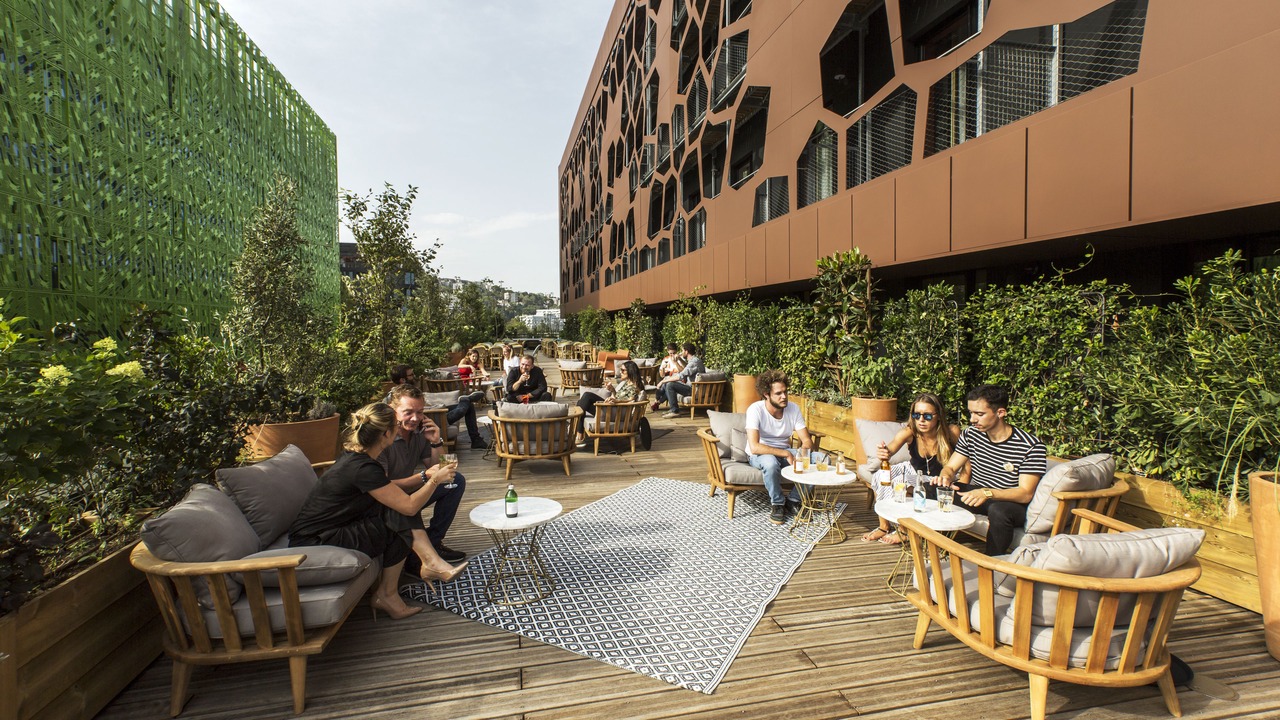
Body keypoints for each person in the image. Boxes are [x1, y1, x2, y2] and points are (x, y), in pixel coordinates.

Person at [289, 403, 468, 620]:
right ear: (386, 433)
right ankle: (404, 581)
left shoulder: (358, 458)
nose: (401, 426)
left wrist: (431, 470)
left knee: (397, 512)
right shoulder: (363, 468)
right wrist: (433, 481)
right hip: (317, 538)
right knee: (401, 516)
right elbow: (410, 505)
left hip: (341, 523)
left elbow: (402, 501)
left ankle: (417, 571)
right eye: (396, 425)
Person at [936, 384, 1048, 555]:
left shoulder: (1030, 446)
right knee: (933, 488)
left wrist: (987, 493)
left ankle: (992, 565)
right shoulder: (971, 434)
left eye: (979, 414)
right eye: (971, 413)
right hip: (979, 495)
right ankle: (932, 548)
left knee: (999, 511)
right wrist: (945, 476)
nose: (973, 419)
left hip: (1010, 503)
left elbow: (1025, 493)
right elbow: (951, 467)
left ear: (1000, 413)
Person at [862, 392, 970, 545]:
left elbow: (967, 463)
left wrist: (962, 487)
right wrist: (884, 452)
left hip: (938, 477)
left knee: (900, 482)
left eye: (927, 416)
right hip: (914, 471)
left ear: (938, 415)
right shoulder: (910, 432)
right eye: (916, 415)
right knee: (881, 475)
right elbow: (890, 450)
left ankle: (904, 531)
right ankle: (884, 526)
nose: (921, 420)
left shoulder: (951, 432)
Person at [380, 385, 468, 564]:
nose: (415, 418)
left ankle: (434, 542)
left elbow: (440, 469)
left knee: (455, 481)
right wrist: (424, 476)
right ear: (392, 410)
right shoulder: (382, 438)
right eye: (408, 412)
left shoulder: (418, 433)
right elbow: (381, 487)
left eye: (420, 412)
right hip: (384, 500)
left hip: (409, 491)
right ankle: (417, 555)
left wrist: (436, 441)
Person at [746, 370, 813, 525]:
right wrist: (785, 454)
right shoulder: (755, 410)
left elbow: (807, 440)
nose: (784, 396)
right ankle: (777, 504)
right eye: (778, 393)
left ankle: (794, 500)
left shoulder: (793, 408)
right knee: (770, 463)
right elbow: (755, 447)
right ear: (766, 394)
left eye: (785, 392)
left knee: (822, 459)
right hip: (761, 453)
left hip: (786, 452)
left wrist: (802, 453)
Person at [386, 365, 488, 450]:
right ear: (403, 379)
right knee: (464, 407)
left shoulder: (411, 391)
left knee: (468, 406)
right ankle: (466, 400)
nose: (415, 376)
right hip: (436, 418)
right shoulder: (395, 397)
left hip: (436, 412)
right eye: (411, 375)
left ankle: (476, 440)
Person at [575, 360, 651, 449]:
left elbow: (631, 401)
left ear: (630, 371)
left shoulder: (635, 386)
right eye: (620, 369)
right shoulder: (626, 383)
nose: (620, 372)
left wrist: (616, 401)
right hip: (613, 408)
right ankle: (579, 433)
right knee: (583, 401)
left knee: (586, 398)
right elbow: (620, 397)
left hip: (617, 412)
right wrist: (613, 391)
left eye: (623, 370)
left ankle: (578, 433)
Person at [656, 343, 705, 418]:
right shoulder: (694, 360)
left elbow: (681, 376)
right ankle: (669, 407)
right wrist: (679, 359)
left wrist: (662, 381)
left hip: (693, 389)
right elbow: (686, 367)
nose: (681, 352)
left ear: (686, 351)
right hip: (691, 387)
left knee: (670, 384)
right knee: (668, 383)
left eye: (682, 350)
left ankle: (674, 411)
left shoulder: (694, 362)